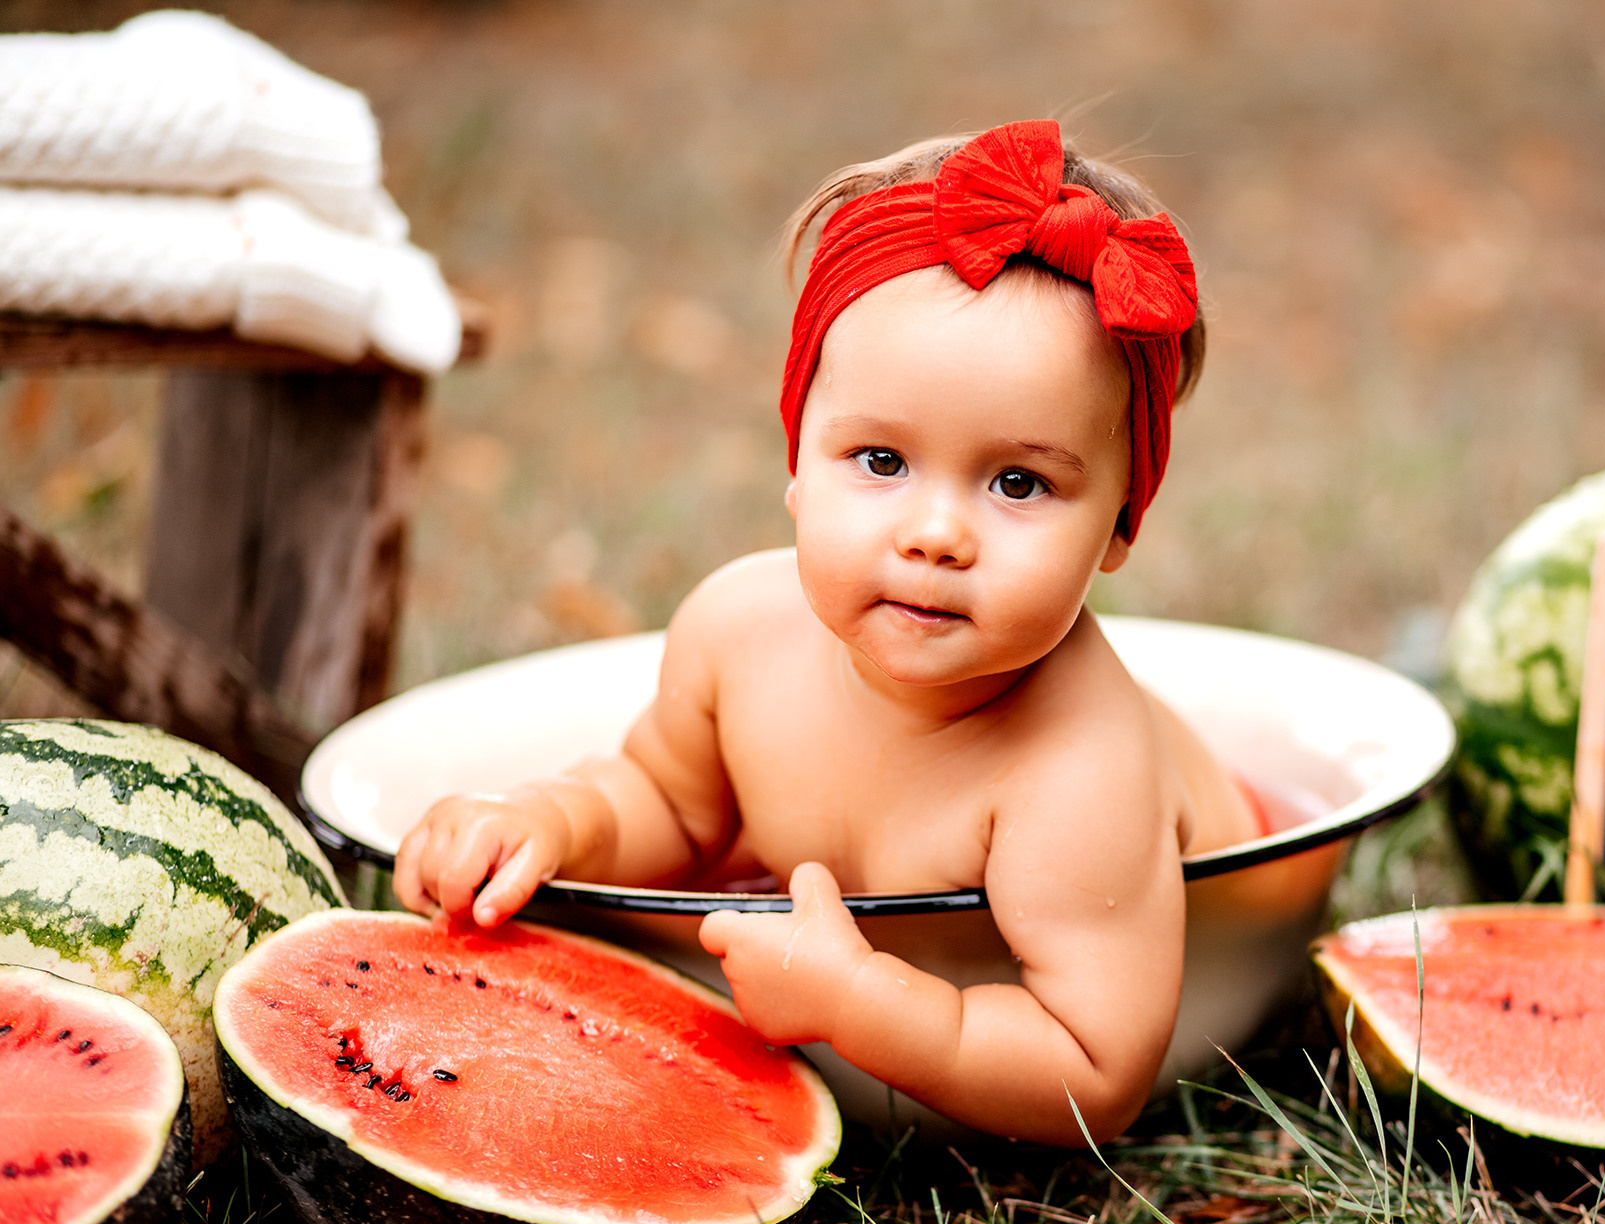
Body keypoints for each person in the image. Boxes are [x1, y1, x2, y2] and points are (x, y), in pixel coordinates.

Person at [392, 120, 1269, 1145]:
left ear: (1120, 522)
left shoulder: (1076, 769)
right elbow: (671, 806)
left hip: (1221, 899)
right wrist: (552, 821)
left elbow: (1094, 1070)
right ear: (799, 462)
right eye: (881, 461)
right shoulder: (738, 631)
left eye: (1017, 482)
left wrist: (861, 1005)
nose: (934, 534)